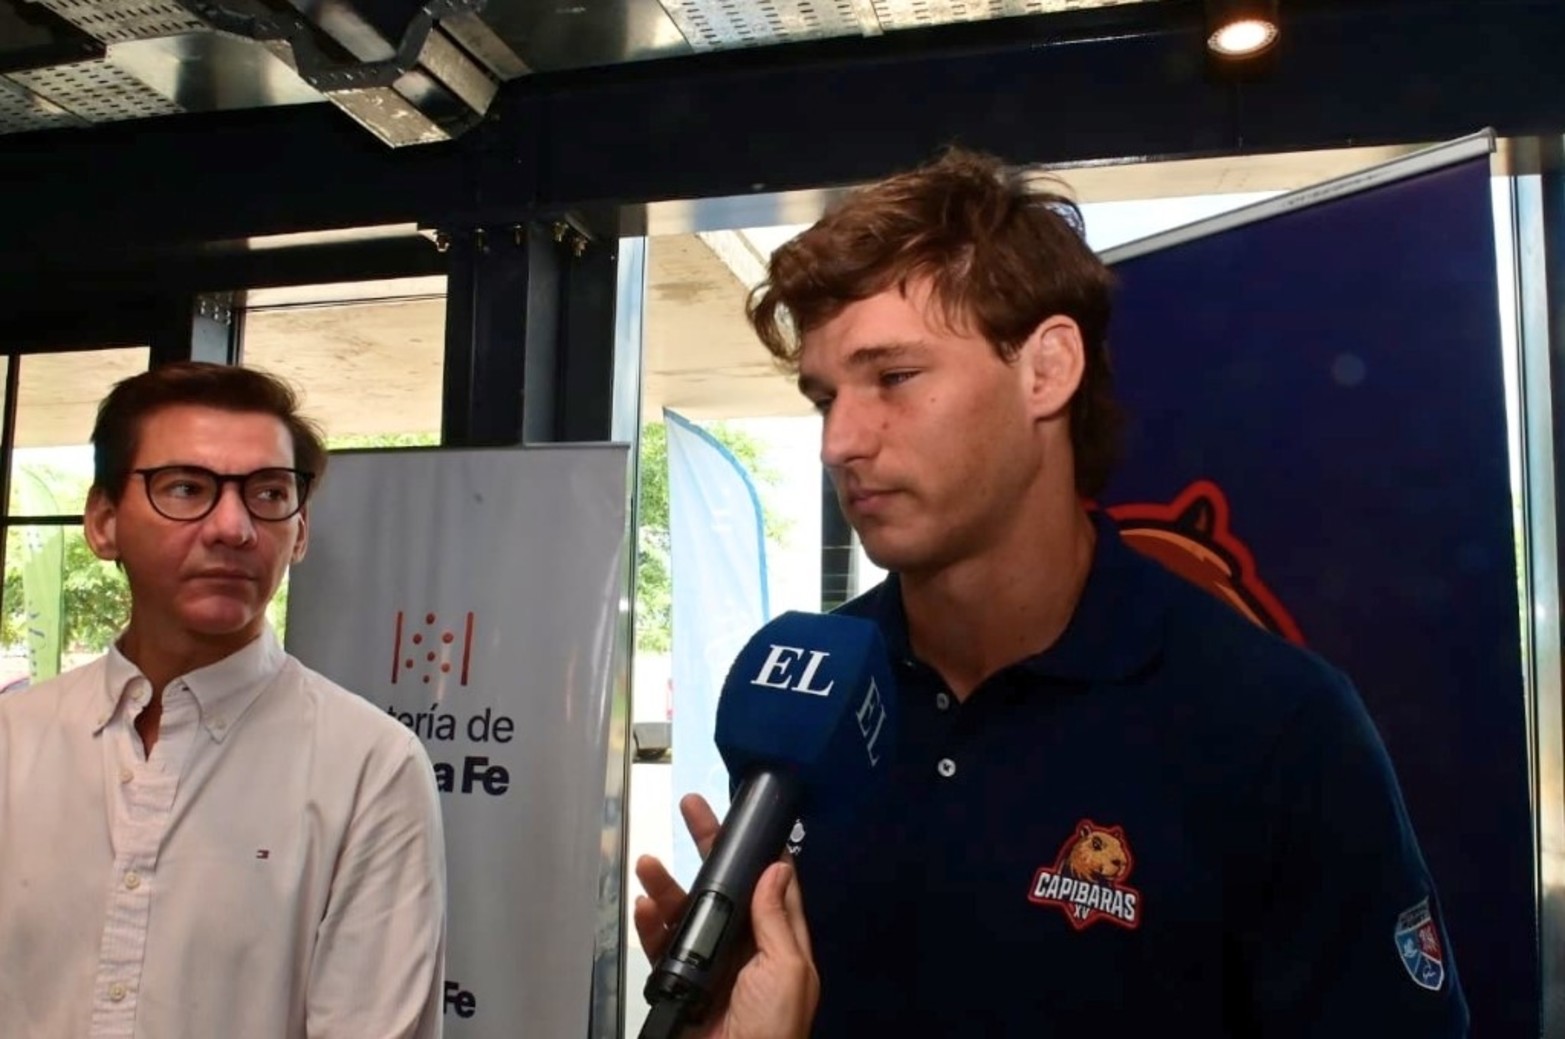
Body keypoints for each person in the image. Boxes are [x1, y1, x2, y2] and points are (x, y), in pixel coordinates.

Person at [636, 148, 1468, 1036]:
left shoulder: (1272, 725)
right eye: (822, 396)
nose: (839, 441)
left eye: (894, 378)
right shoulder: (809, 689)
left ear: (1046, 369)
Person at [0, 362, 447, 1038]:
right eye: (186, 487)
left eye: (269, 493)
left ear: (298, 532)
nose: (233, 527)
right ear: (102, 522)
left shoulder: (369, 766)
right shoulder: (13, 741)